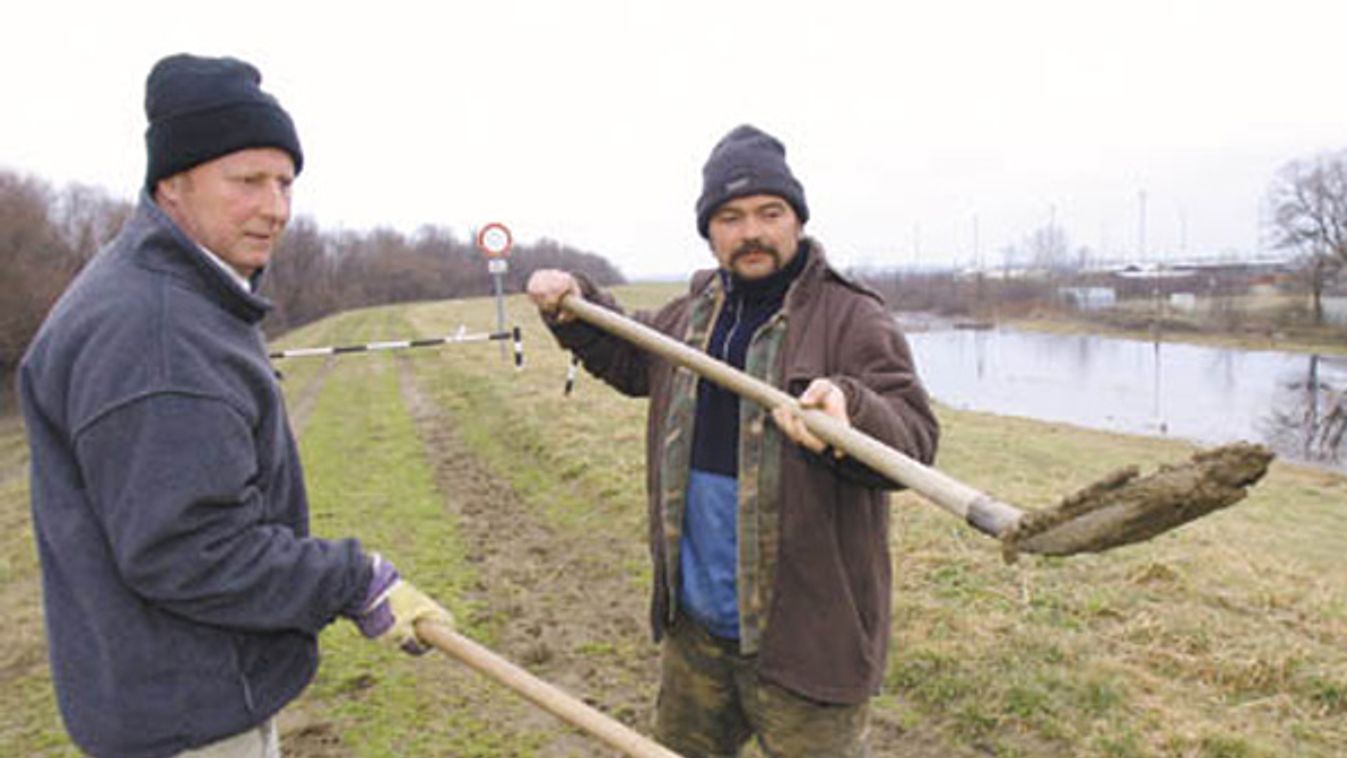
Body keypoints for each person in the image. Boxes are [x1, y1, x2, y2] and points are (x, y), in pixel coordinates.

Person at [18, 53, 453, 758]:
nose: (274, 208)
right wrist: (354, 579)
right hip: (186, 718)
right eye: (246, 181)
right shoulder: (156, 331)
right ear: (173, 183)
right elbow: (188, 549)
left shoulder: (177, 295)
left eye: (284, 182)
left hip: (169, 694)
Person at [526, 124, 940, 756]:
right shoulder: (694, 314)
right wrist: (575, 304)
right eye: (730, 216)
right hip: (697, 633)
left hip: (807, 644)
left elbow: (914, 441)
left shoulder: (853, 317)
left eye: (770, 213)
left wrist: (851, 413)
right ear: (710, 231)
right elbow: (633, 357)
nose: (752, 231)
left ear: (796, 221)